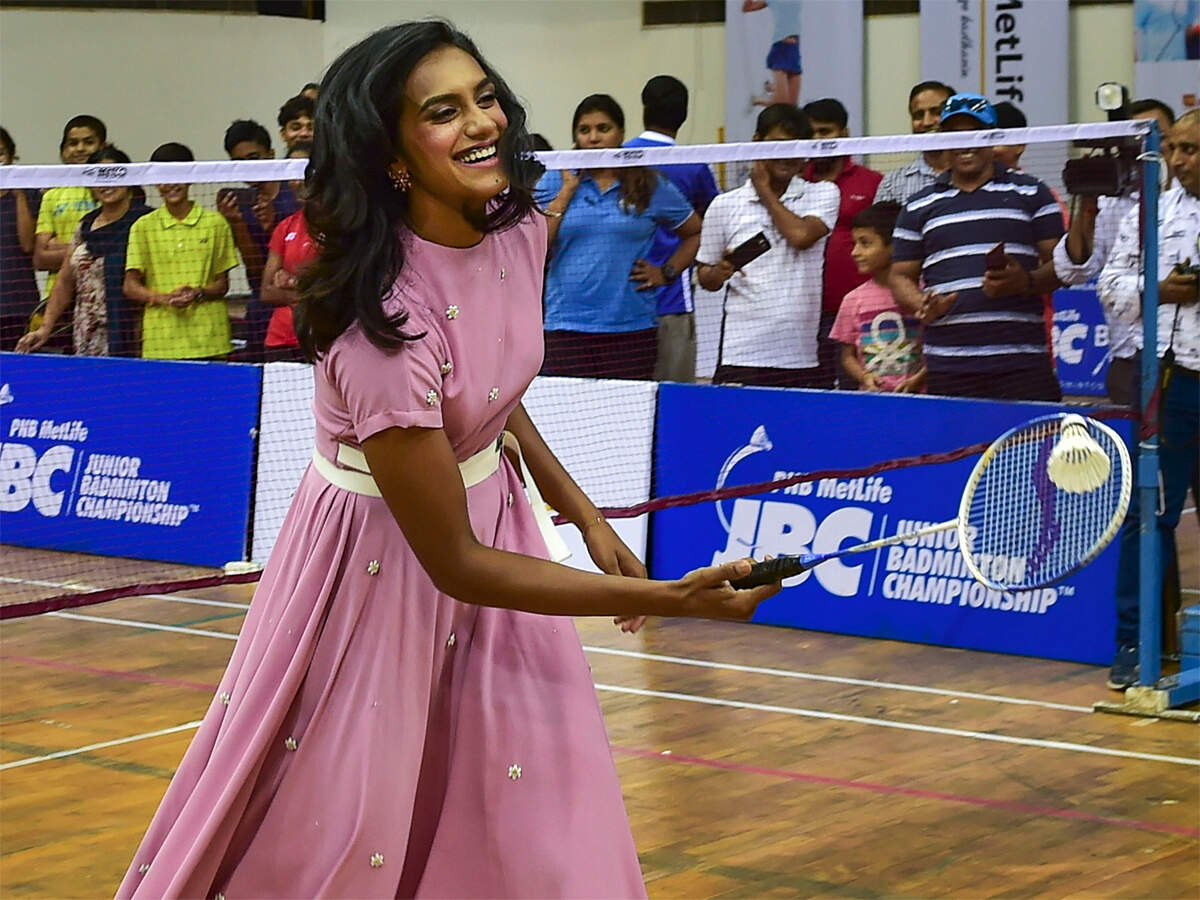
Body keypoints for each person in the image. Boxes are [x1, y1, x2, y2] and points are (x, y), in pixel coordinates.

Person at [115, 21, 777, 900]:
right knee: (349, 827)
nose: (481, 122)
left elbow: (489, 394)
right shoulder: (381, 323)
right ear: (391, 154)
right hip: (379, 566)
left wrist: (581, 513)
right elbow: (455, 561)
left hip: (500, 526)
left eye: (485, 97)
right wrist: (672, 598)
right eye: (443, 111)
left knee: (539, 802)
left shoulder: (519, 229)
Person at [1098, 109, 1199, 690]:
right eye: (1174, 148)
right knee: (1148, 516)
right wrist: (1159, 289)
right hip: (1167, 382)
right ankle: (1135, 643)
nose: (1177, 160)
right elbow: (1110, 287)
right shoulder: (1151, 212)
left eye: (1190, 149)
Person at [890, 94, 1065, 401]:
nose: (965, 143)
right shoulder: (918, 205)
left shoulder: (1033, 193)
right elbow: (900, 276)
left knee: (1036, 435)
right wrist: (922, 304)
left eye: (974, 133)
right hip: (948, 366)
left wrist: (1025, 282)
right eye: (955, 134)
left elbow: (1062, 266)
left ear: (993, 137)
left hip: (1022, 364)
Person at [538, 93, 701, 380]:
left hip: (631, 328)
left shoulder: (648, 184)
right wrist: (566, 193)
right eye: (584, 130)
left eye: (603, 128)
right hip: (566, 325)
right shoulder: (555, 178)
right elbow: (534, 244)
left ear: (621, 133)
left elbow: (696, 232)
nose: (593, 138)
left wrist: (666, 272)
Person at [696, 104, 839, 388]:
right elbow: (705, 277)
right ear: (757, 141)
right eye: (777, 144)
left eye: (795, 146)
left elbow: (801, 236)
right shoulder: (724, 205)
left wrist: (763, 190)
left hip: (800, 355)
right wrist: (719, 272)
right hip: (741, 352)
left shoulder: (823, 193)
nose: (786, 155)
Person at [1054, 98, 1177, 407]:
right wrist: (1086, 201)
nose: (1147, 145)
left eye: (1156, 136)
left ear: (1174, 141)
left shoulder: (1191, 201)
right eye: (1137, 139)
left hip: (1188, 360)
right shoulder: (1108, 205)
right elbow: (1073, 270)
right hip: (1128, 361)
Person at [624, 74, 720, 383]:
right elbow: (713, 225)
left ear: (644, 109)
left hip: (623, 306)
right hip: (671, 301)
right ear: (684, 114)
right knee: (673, 400)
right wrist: (668, 271)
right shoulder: (694, 165)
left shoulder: (617, 159)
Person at [16, 147, 150, 357]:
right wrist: (45, 327)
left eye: (113, 175)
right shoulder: (85, 225)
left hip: (132, 332)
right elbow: (64, 281)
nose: (106, 183)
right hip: (86, 333)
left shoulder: (145, 222)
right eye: (98, 177)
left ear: (128, 177)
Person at [123, 142, 239, 361]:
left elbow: (222, 284)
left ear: (190, 176)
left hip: (211, 341)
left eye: (177, 175)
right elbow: (130, 286)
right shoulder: (142, 226)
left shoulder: (216, 223)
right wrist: (164, 298)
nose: (171, 184)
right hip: (161, 344)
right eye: (163, 177)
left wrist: (197, 292)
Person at [802, 97, 882, 388]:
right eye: (811, 133)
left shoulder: (872, 182)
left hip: (858, 313)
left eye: (825, 132)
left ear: (844, 134)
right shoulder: (795, 183)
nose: (817, 140)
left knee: (855, 394)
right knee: (810, 398)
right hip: (805, 314)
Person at [219, 119, 302, 360]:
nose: (249, 167)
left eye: (254, 158)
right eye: (239, 162)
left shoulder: (296, 193)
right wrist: (237, 224)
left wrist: (274, 225)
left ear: (271, 154)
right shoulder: (240, 204)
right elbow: (255, 271)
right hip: (262, 307)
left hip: (300, 306)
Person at [829, 202, 924, 393]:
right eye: (855, 243)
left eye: (865, 243)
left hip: (921, 399)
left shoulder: (922, 292)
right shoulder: (853, 300)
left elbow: (939, 348)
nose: (855, 252)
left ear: (894, 246)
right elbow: (847, 356)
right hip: (873, 400)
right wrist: (864, 376)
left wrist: (920, 378)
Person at [32, 114, 107, 348]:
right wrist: (85, 251)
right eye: (73, 143)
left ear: (103, 146)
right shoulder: (51, 195)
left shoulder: (112, 191)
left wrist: (58, 247)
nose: (80, 148)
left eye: (88, 142)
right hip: (58, 301)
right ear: (63, 150)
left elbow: (112, 248)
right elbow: (41, 258)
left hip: (101, 300)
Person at [259, 142, 314, 361]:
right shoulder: (284, 227)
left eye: (302, 173)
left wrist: (290, 282)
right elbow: (266, 292)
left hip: (320, 337)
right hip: (279, 340)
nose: (296, 182)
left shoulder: (339, 226)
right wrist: (303, 290)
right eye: (291, 175)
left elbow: (333, 287)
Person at [875, 81, 955, 204]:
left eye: (937, 112)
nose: (927, 122)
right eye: (918, 115)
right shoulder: (892, 184)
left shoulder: (976, 173)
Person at [0, 127, 40, 350]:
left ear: (11, 156)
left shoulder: (30, 195)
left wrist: (18, 195)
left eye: (0, 153)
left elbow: (27, 244)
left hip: (18, 305)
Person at [743, 0, 801, 107]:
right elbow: (748, 7)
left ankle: (773, 87)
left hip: (794, 48)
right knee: (782, 103)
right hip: (781, 46)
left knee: (792, 106)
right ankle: (757, 100)